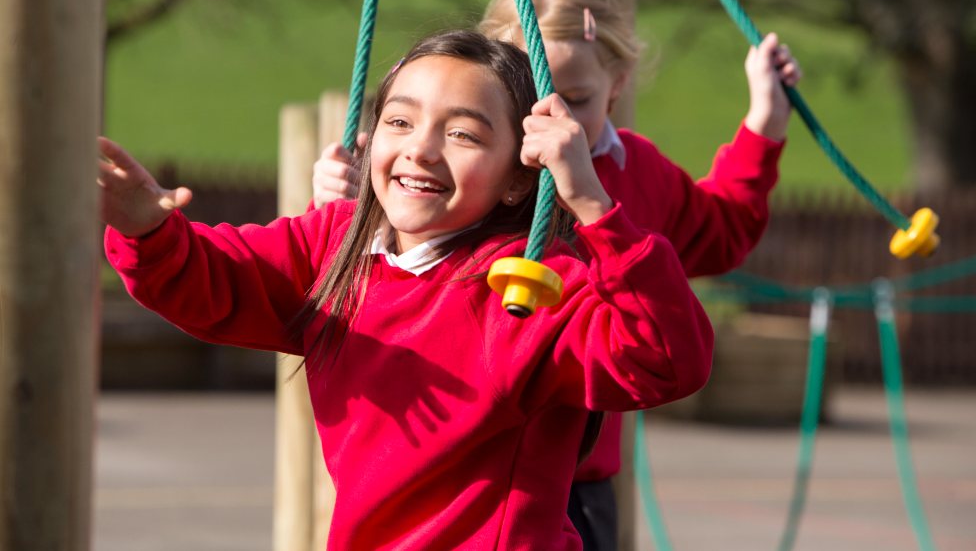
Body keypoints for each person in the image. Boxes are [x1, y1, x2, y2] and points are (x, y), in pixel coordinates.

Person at [99, 30, 715, 550]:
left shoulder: (527, 283)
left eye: (464, 135)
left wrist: (590, 202)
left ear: (515, 181)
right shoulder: (335, 246)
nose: (420, 149)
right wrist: (148, 229)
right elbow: (212, 281)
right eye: (400, 121)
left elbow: (665, 359)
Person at [311, 0, 801, 550]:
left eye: (575, 99)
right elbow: (394, 254)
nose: (549, 119)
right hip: (465, 475)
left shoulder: (632, 173)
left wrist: (763, 124)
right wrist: (349, 200)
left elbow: (721, 232)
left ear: (617, 84)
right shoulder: (461, 174)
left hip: (579, 483)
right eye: (526, 94)